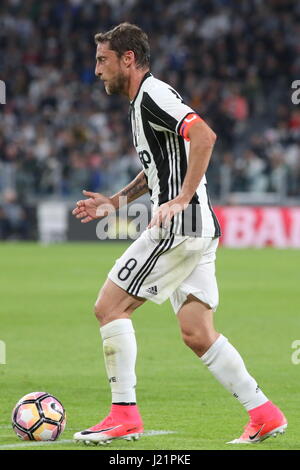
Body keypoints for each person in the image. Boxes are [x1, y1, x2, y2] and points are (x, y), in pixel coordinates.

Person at [72, 23, 287, 445]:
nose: (97, 70)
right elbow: (157, 165)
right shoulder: (142, 103)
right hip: (197, 226)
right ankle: (264, 412)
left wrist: (182, 198)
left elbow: (204, 136)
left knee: (109, 307)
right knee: (197, 333)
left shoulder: (153, 95)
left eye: (103, 60)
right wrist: (117, 201)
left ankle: (124, 415)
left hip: (181, 225)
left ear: (127, 58)